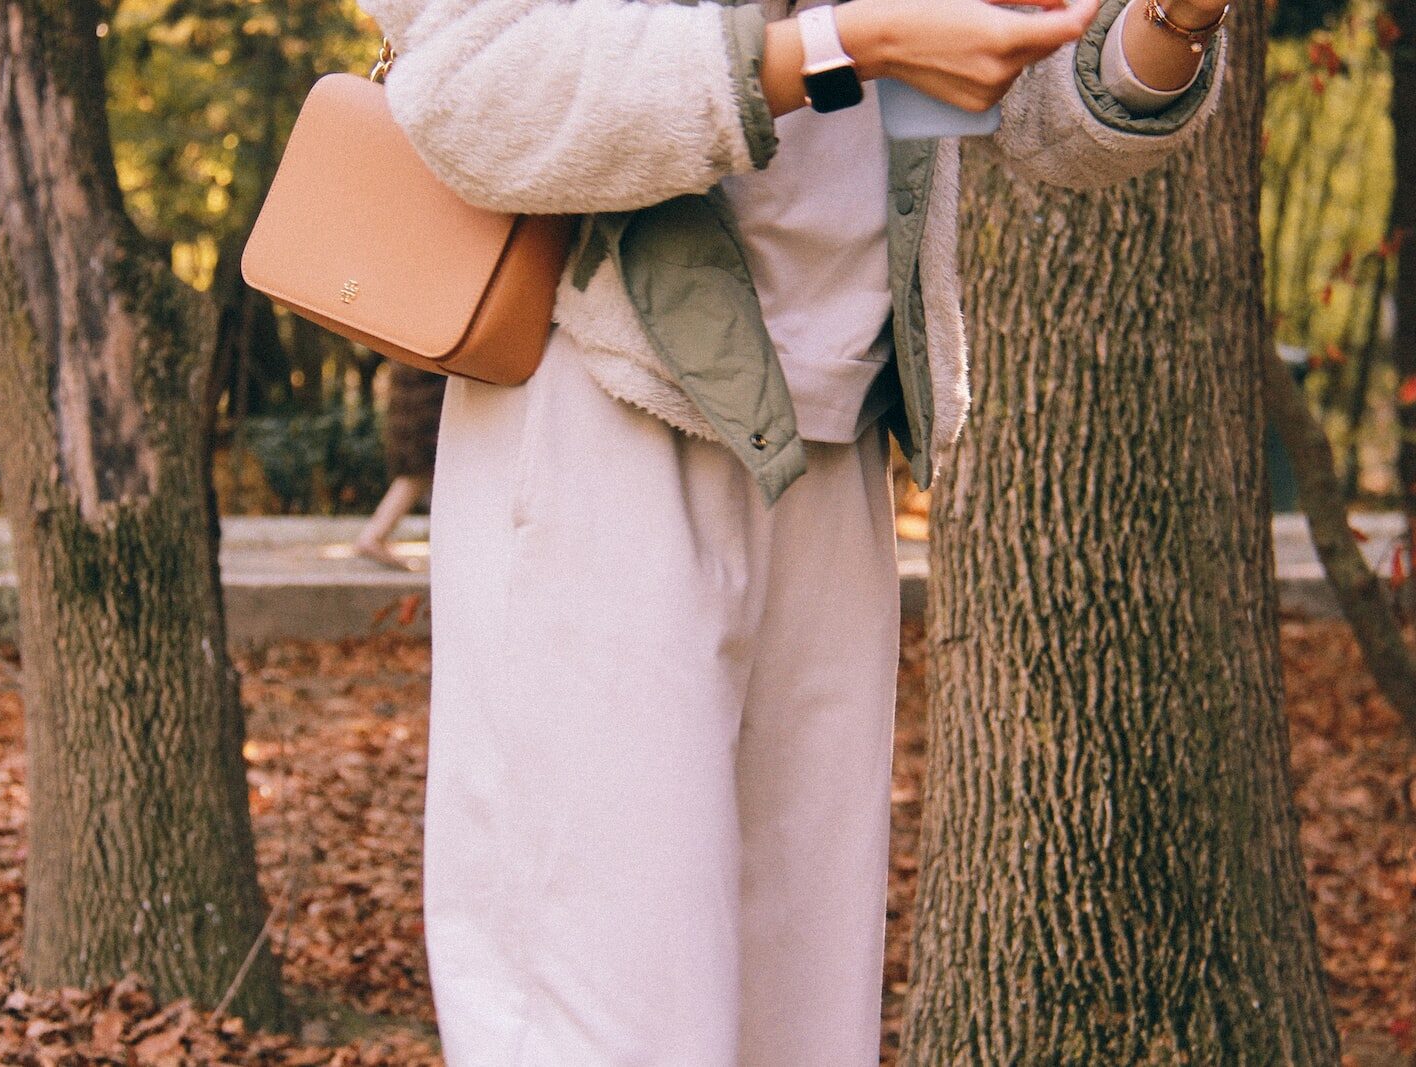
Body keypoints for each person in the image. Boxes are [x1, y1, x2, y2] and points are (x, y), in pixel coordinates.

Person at [354, 0, 1231, 1061]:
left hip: (833, 425)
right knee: (597, 999)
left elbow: (1038, 106)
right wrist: (847, 44)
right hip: (600, 406)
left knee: (802, 1016)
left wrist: (1171, 22)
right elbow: (473, 94)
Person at [354, 362, 445, 571]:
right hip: (426, 403)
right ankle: (373, 536)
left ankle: (374, 535)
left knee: (417, 475)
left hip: (415, 400)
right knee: (418, 474)